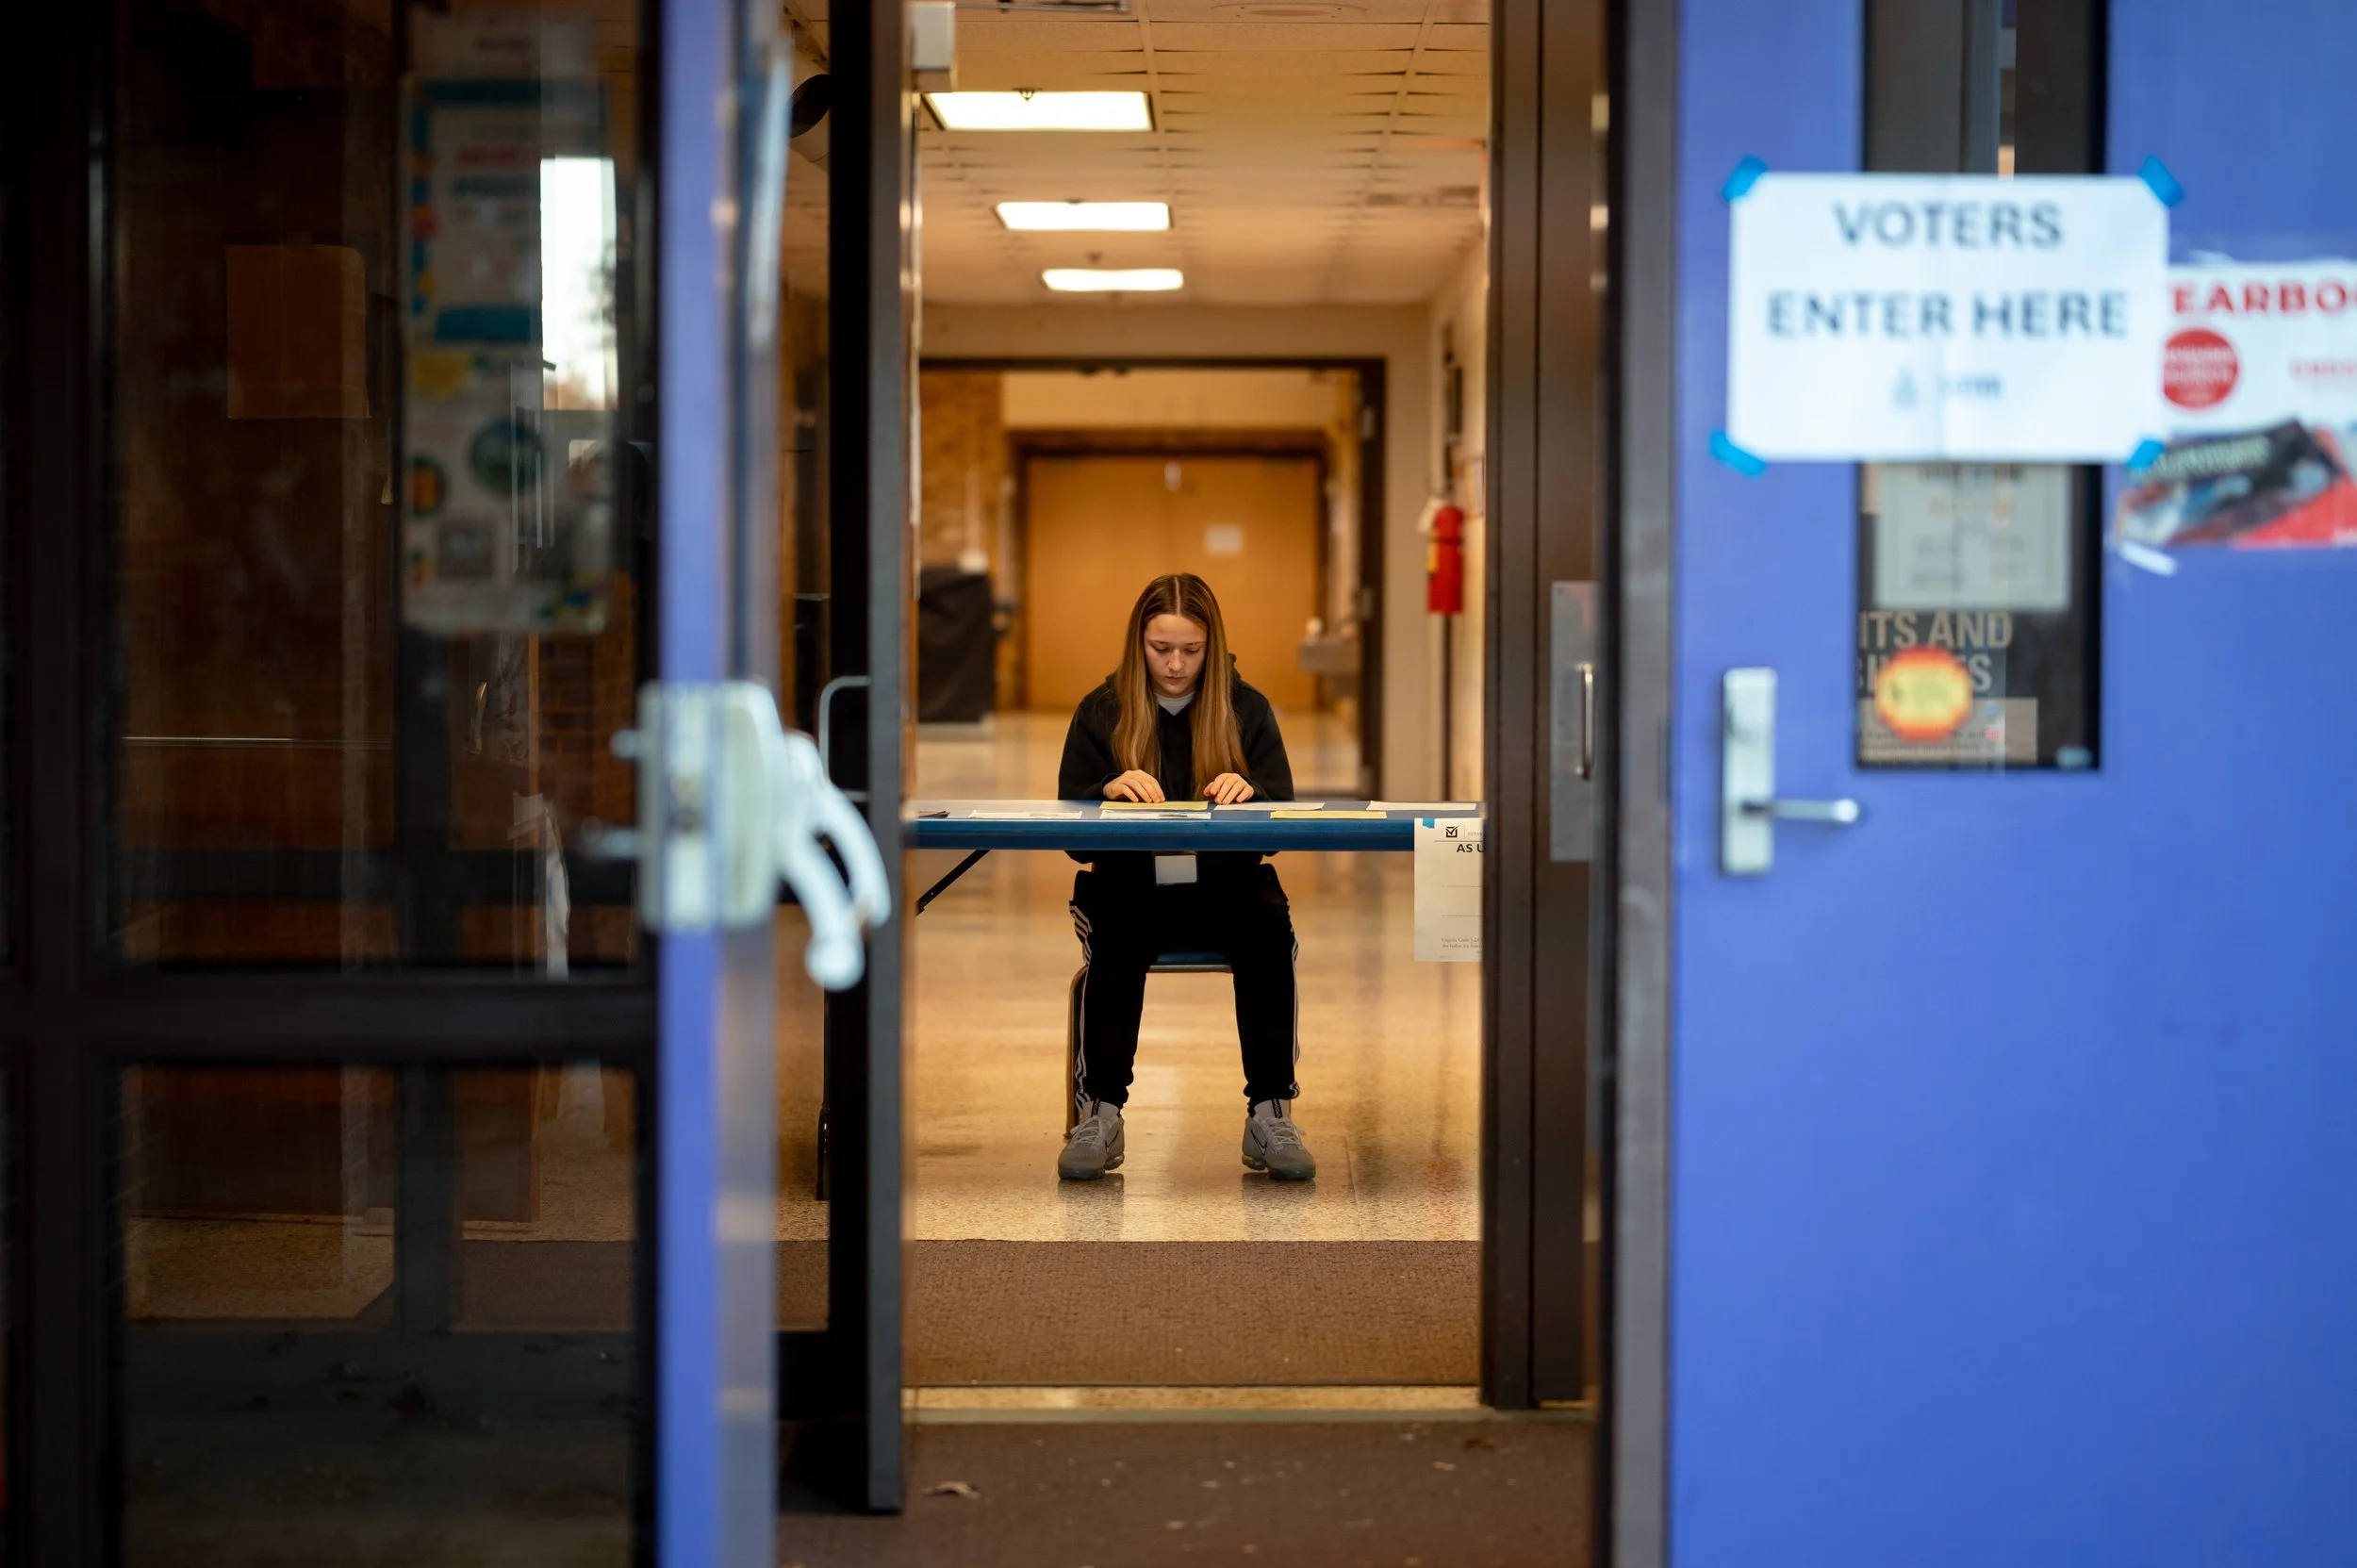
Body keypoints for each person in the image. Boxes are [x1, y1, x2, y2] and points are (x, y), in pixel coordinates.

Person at [1053, 573, 1316, 1183]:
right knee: (1114, 944)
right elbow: (1069, 830)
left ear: (1211, 644)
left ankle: (1271, 1111)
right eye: (1160, 648)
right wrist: (1105, 792)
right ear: (1137, 643)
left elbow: (1282, 818)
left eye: (1191, 651)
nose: (1174, 664)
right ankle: (1101, 1112)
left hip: (1224, 887)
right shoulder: (1103, 709)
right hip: (1130, 887)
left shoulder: (1246, 709)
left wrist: (1253, 796)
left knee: (1270, 933)